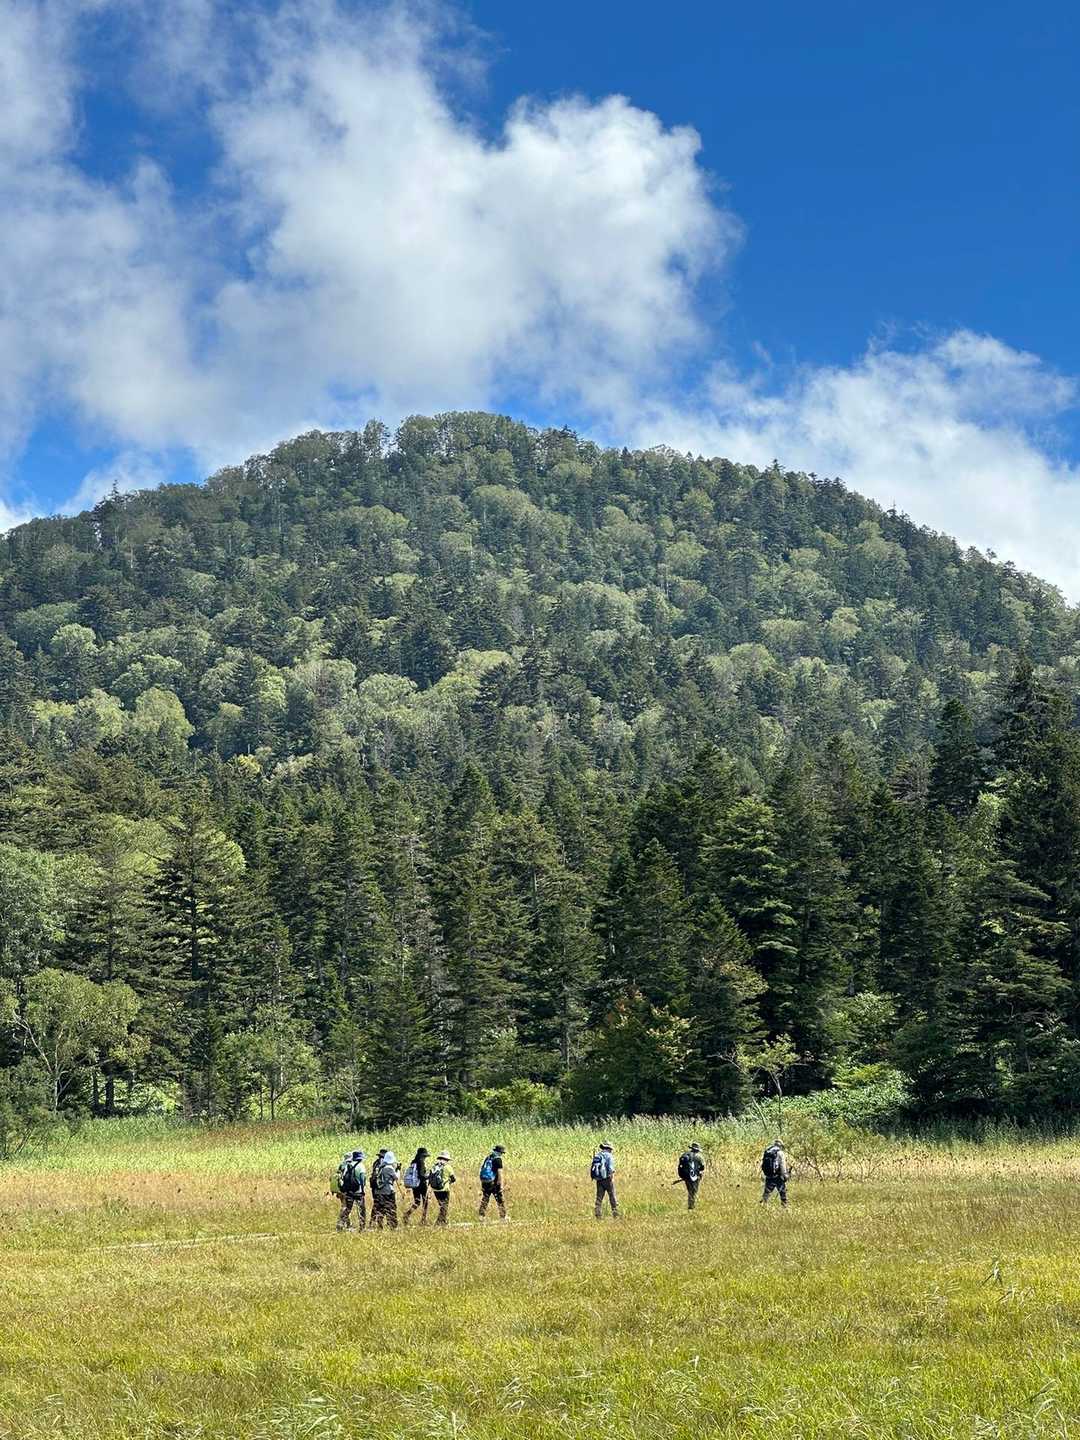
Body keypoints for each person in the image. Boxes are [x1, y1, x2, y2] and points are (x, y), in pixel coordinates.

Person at [333, 1149, 367, 1232]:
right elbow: (362, 1179)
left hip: (349, 1191)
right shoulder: (361, 1166)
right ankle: (362, 1227)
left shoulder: (348, 1165)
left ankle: (340, 1225)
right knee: (361, 1210)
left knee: (347, 1209)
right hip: (358, 1191)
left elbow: (344, 1177)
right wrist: (362, 1189)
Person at [371, 1148, 401, 1228]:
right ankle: (392, 1225)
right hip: (388, 1191)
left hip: (378, 1191)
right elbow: (396, 1178)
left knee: (380, 1208)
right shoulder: (389, 1168)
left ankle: (379, 1224)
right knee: (391, 1207)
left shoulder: (380, 1166)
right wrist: (398, 1170)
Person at [478, 1144, 508, 1220]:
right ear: (500, 1152)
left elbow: (482, 1169)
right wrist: (500, 1185)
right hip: (493, 1182)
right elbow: (500, 1173)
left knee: (485, 1198)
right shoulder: (498, 1159)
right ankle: (503, 1216)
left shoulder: (488, 1158)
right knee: (499, 1199)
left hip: (485, 1181)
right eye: (502, 1153)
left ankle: (481, 1215)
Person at [403, 1146, 430, 1225]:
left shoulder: (413, 1162)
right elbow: (421, 1175)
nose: (425, 1158)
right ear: (422, 1155)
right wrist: (429, 1176)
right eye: (424, 1156)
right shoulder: (421, 1162)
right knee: (425, 1202)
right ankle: (423, 1220)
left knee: (417, 1202)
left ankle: (407, 1214)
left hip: (415, 1185)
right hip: (421, 1185)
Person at [429, 1150, 456, 1226]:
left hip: (435, 1189)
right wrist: (449, 1182)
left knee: (441, 1205)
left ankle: (443, 1221)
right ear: (447, 1159)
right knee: (444, 1206)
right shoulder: (448, 1167)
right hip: (444, 1189)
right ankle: (438, 1222)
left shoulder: (435, 1166)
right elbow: (453, 1178)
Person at [591, 1141, 617, 1219]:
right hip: (607, 1179)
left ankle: (598, 1215)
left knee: (599, 1197)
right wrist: (612, 1178)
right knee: (612, 1196)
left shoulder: (598, 1155)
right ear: (609, 1148)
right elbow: (610, 1168)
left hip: (599, 1179)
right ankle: (615, 1214)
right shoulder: (609, 1156)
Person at [760, 1138, 789, 1206]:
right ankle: (785, 1206)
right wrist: (785, 1176)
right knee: (782, 1191)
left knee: (767, 1192)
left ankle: (763, 1204)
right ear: (780, 1145)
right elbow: (782, 1165)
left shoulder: (768, 1151)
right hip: (777, 1175)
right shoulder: (780, 1153)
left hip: (768, 1175)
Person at [677, 1141, 706, 1209]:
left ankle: (690, 1205)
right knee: (694, 1191)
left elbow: (681, 1165)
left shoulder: (685, 1155)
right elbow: (702, 1167)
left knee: (690, 1190)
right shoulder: (699, 1156)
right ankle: (691, 1206)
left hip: (686, 1176)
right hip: (695, 1176)